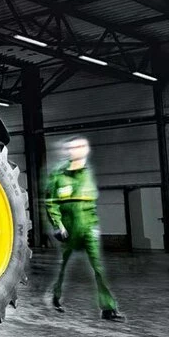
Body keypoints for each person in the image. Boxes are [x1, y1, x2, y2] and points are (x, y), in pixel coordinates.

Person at [46, 136, 124, 322]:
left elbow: (91, 205)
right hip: (68, 229)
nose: (77, 150)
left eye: (81, 146)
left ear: (86, 150)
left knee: (98, 268)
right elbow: (52, 203)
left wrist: (94, 226)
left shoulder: (87, 175)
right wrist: (58, 225)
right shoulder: (58, 175)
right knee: (62, 267)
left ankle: (108, 308)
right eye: (73, 147)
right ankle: (56, 296)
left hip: (89, 227)